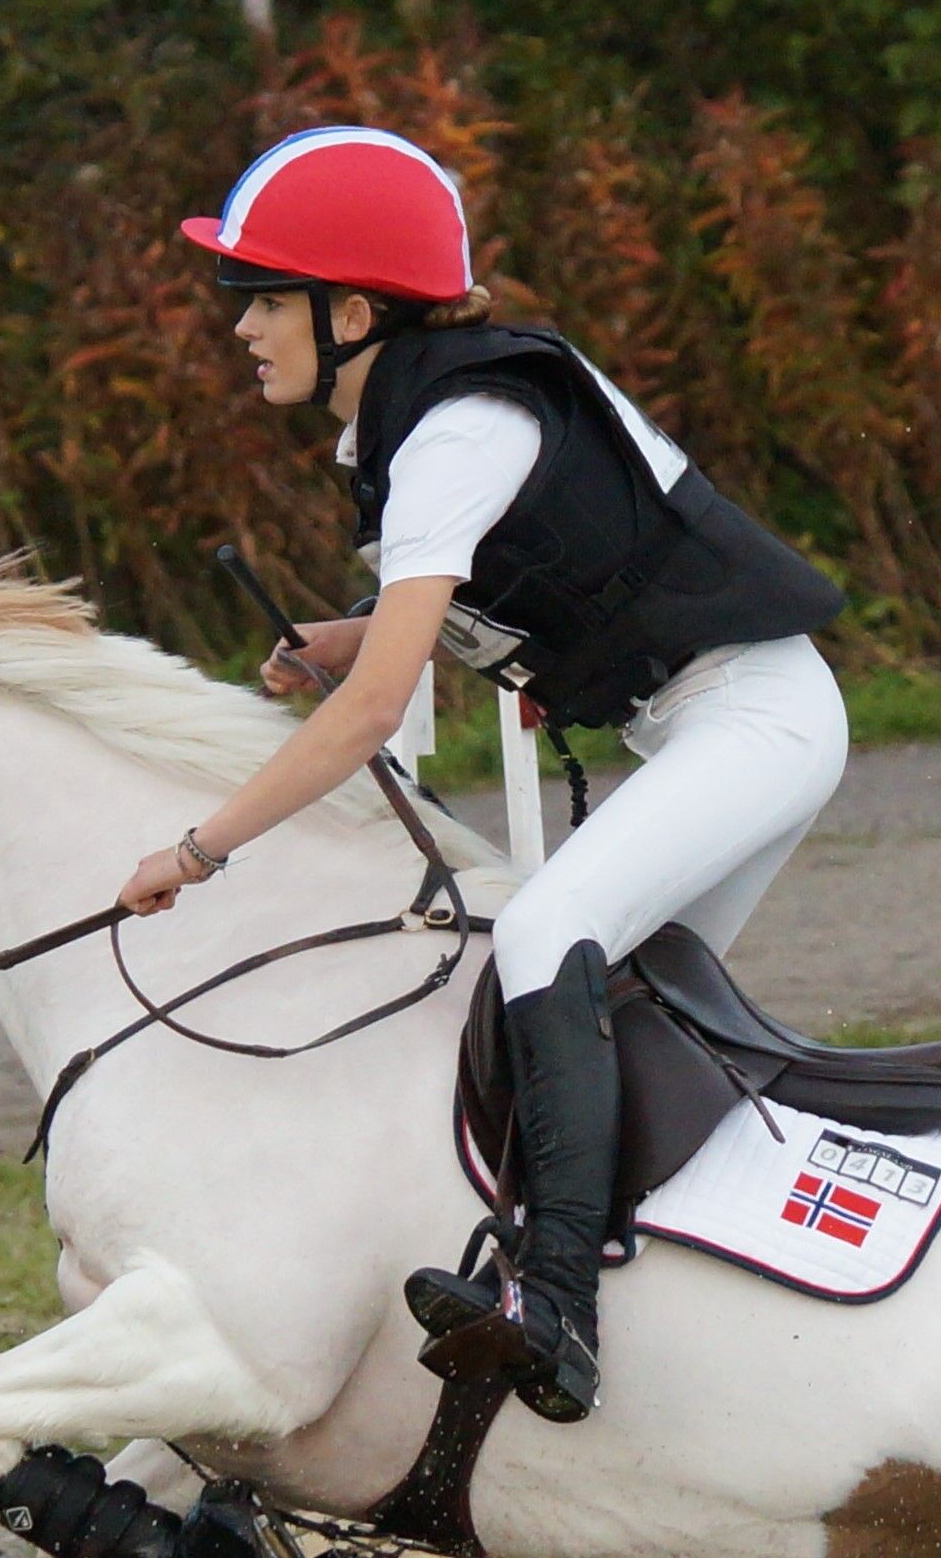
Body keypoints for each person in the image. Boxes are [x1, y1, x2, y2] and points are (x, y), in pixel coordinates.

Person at [120, 125, 851, 1424]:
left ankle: (556, 1311)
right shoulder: (430, 417)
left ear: (352, 313)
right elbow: (495, 594)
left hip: (758, 721)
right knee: (624, 1011)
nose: (240, 327)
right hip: (726, 722)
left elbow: (373, 716)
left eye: (263, 298)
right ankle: (648, 1283)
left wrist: (199, 848)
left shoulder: (455, 431)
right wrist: (343, 635)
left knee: (548, 937)